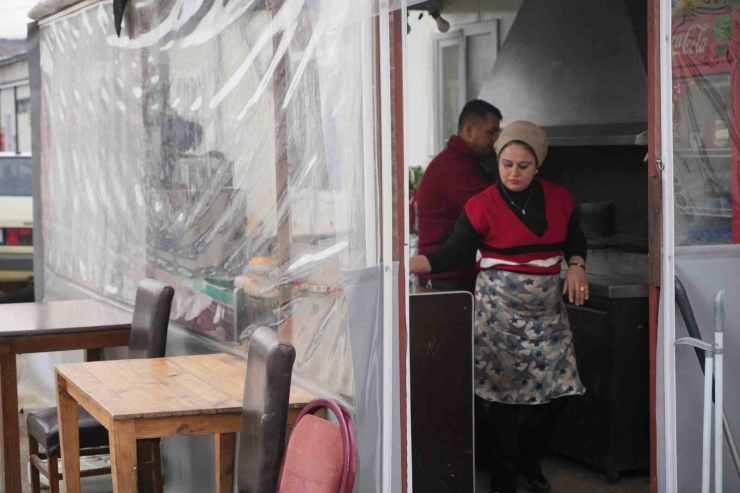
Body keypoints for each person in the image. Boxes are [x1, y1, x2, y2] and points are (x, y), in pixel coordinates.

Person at [409, 121, 589, 493]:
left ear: (537, 165)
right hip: (499, 316)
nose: (514, 172)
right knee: (502, 400)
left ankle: (528, 460)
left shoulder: (560, 198)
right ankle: (504, 478)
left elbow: (575, 241)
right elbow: (452, 254)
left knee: (557, 394)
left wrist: (576, 265)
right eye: (507, 164)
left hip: (547, 316)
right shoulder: (482, 204)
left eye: (523, 165)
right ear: (498, 161)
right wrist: (404, 264)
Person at [416, 99, 502, 293]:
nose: (497, 139)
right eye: (492, 132)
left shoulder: (464, 162)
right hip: (444, 279)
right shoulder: (455, 166)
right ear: (470, 130)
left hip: (448, 275)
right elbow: (495, 210)